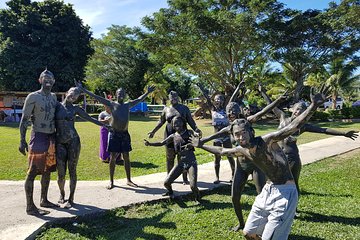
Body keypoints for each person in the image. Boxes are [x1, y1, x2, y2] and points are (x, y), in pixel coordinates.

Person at [191, 86, 329, 240]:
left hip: (286, 191)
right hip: (268, 190)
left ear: (252, 132)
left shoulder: (267, 141)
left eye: (244, 133)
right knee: (249, 233)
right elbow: (222, 152)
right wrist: (201, 145)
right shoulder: (242, 150)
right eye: (237, 135)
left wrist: (313, 106)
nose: (241, 137)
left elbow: (293, 126)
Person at [199, 89, 288, 231]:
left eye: (234, 110)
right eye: (229, 111)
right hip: (241, 167)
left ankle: (267, 223)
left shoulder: (248, 121)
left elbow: (263, 111)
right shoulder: (229, 128)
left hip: (256, 165)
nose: (231, 113)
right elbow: (212, 138)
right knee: (234, 197)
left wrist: (278, 101)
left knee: (261, 196)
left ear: (239, 110)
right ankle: (241, 223)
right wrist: (200, 142)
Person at [258, 84, 358, 200]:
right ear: (292, 109)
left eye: (302, 110)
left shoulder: (303, 126)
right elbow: (271, 105)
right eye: (297, 108)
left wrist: (344, 133)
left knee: (293, 184)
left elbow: (323, 130)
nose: (298, 111)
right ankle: (275, 203)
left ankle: (293, 208)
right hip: (277, 156)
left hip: (292, 158)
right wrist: (263, 92)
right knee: (274, 181)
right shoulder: (282, 117)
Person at [76, 81, 155, 189]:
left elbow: (139, 99)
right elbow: (96, 96)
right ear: (116, 95)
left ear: (125, 95)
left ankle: (129, 180)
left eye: (123, 93)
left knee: (126, 157)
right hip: (114, 134)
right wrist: (83, 90)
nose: (121, 95)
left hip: (125, 134)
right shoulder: (111, 104)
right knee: (112, 157)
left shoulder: (128, 105)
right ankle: (111, 181)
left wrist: (147, 93)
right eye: (119, 93)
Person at [55, 87, 110, 208]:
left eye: (76, 95)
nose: (73, 96)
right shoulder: (57, 106)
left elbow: (90, 119)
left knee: (72, 170)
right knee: (61, 173)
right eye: (72, 93)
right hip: (59, 142)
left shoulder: (75, 109)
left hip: (73, 142)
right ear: (66, 93)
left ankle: (71, 198)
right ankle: (62, 194)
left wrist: (105, 125)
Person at [19, 69, 58, 216]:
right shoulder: (33, 97)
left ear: (54, 81)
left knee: (47, 170)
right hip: (38, 137)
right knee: (32, 172)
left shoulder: (54, 97)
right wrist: (22, 141)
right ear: (40, 80)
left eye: (51, 78)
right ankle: (30, 206)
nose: (48, 79)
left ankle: (44, 200)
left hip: (51, 137)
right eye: (45, 77)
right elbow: (24, 120)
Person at [148, 91, 202, 186]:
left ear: (178, 97)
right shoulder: (166, 109)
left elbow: (190, 121)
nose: (174, 98)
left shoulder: (184, 108)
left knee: (183, 157)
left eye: (176, 96)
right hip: (169, 135)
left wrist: (196, 129)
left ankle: (185, 179)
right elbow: (161, 121)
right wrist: (153, 131)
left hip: (183, 136)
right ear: (169, 98)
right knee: (170, 157)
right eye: (172, 97)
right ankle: (169, 176)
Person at [145, 116, 201, 201]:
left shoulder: (189, 132)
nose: (176, 124)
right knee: (166, 183)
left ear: (183, 123)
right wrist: (150, 144)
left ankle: (198, 197)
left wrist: (197, 135)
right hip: (180, 163)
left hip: (191, 162)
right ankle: (170, 192)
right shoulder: (173, 136)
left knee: (193, 186)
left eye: (178, 122)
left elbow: (197, 137)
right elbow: (161, 143)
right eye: (174, 123)